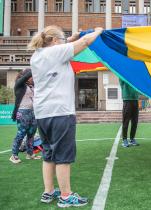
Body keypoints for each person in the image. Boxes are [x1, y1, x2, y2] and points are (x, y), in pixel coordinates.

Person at [28, 25, 103, 208]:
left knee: (48, 154)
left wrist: (70, 38)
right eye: (62, 39)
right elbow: (85, 42)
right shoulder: (55, 53)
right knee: (63, 156)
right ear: (54, 41)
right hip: (60, 112)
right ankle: (66, 196)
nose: (64, 42)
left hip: (43, 114)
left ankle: (48, 191)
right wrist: (99, 31)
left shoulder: (37, 56)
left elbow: (64, 46)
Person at [10, 68, 40, 164]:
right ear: (26, 76)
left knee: (31, 134)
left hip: (32, 112)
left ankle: (30, 153)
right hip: (22, 112)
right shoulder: (19, 85)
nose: (33, 78)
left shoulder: (33, 86)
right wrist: (36, 67)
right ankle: (14, 155)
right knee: (21, 133)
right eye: (31, 76)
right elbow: (25, 77)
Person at [120, 79, 140, 148]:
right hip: (127, 99)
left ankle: (132, 139)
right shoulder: (123, 73)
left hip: (135, 99)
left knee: (135, 121)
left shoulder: (136, 76)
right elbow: (122, 83)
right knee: (126, 121)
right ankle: (124, 140)